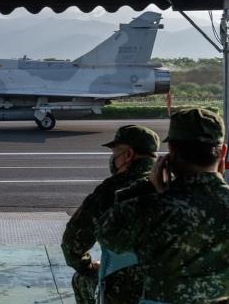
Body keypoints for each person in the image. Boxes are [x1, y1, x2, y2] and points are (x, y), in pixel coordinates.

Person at [96, 108, 229, 304]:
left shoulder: (147, 208)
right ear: (223, 152)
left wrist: (148, 188)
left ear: (171, 154)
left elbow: (107, 235)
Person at [62, 125, 160, 304]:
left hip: (124, 289)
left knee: (81, 279)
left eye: (115, 153)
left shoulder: (109, 191)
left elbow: (72, 245)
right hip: (169, 284)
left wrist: (87, 266)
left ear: (128, 155)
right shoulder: (172, 185)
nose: (113, 159)